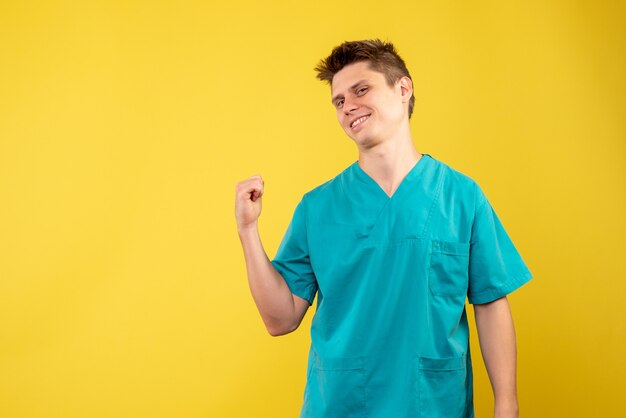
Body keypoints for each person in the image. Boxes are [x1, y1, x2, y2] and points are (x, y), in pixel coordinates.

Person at [235, 39, 533, 418]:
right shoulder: (317, 208)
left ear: (403, 88)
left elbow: (490, 302)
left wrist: (506, 403)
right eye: (339, 101)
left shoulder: (462, 196)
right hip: (340, 405)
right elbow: (280, 319)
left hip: (434, 404)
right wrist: (248, 230)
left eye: (361, 90)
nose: (348, 107)